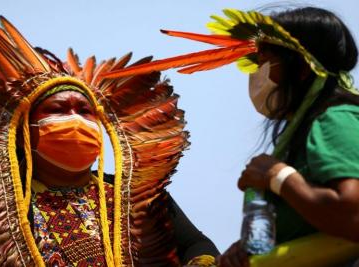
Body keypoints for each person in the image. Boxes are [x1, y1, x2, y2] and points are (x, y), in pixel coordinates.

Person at [102, 6, 359, 267]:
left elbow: (352, 217)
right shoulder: (304, 132)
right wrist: (248, 249)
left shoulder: (334, 120)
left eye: (263, 63)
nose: (257, 74)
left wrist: (278, 177)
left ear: (302, 68)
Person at [0, 17, 218, 266]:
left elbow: (197, 245)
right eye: (59, 110)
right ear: (23, 130)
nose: (75, 120)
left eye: (85, 111)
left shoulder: (137, 198)